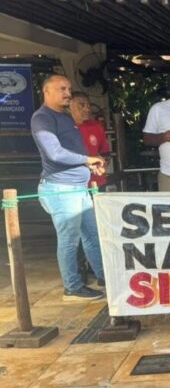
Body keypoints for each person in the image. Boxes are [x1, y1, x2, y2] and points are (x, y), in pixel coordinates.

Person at [31, 74, 107, 301]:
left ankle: (105, 277)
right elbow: (54, 153)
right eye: (62, 89)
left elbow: (74, 152)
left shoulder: (64, 117)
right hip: (61, 189)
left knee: (92, 235)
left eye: (68, 89)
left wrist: (89, 165)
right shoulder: (42, 118)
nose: (67, 93)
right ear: (46, 92)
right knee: (69, 240)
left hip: (78, 188)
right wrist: (87, 160)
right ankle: (72, 287)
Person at [70, 92, 110, 189]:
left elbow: (105, 153)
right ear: (69, 107)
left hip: (96, 181)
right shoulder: (64, 128)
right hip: (73, 183)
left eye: (88, 106)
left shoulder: (96, 126)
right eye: (81, 105)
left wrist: (102, 164)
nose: (87, 109)